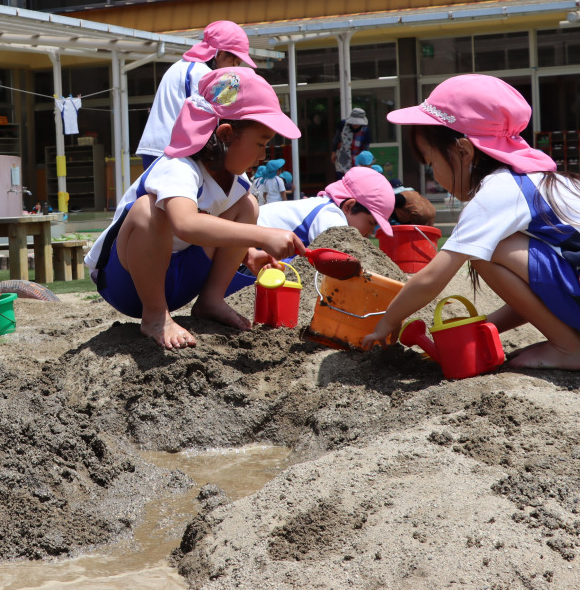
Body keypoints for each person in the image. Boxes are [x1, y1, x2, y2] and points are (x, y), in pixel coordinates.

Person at [361, 75, 580, 371]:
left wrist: (388, 322)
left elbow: (431, 278)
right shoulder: (537, 181)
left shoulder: (499, 190)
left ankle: (569, 347)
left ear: (463, 151)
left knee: (486, 250)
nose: (434, 176)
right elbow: (541, 290)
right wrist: (488, 327)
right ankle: (571, 342)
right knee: (498, 248)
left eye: (431, 164)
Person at [86, 68, 306, 350]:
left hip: (182, 282)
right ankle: (155, 316)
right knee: (148, 210)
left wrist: (247, 253)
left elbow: (210, 220)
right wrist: (259, 236)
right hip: (128, 286)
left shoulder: (236, 180)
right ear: (225, 135)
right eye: (261, 144)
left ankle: (211, 300)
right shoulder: (178, 166)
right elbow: (186, 224)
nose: (264, 155)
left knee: (248, 205)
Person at [136, 20, 257, 168]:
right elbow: (212, 116)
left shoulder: (180, 66)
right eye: (235, 62)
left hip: (156, 148)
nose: (234, 68)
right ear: (220, 53)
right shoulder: (202, 73)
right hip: (173, 154)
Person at [257, 166, 396, 244]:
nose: (370, 232)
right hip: (247, 253)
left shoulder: (323, 206)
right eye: (371, 223)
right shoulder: (331, 216)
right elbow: (342, 256)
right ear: (349, 206)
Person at [331, 107, 370, 179]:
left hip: (357, 158)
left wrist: (365, 160)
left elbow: (366, 147)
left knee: (355, 180)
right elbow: (336, 138)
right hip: (343, 156)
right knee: (341, 179)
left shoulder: (365, 130)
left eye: (357, 123)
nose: (355, 124)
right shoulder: (343, 124)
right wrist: (333, 152)